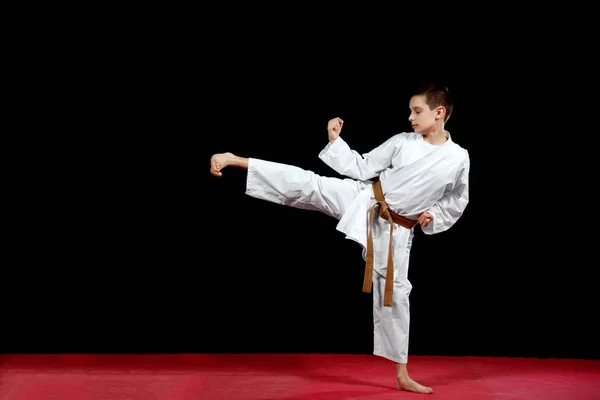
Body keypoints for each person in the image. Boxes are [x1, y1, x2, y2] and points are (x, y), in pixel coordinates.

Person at [209, 83, 470, 394]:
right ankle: (236, 159)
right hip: (365, 200)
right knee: (310, 185)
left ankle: (402, 375)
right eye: (411, 110)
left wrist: (433, 216)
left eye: (417, 111)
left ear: (439, 113)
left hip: (397, 230)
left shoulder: (458, 158)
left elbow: (457, 199)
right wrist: (336, 142)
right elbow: (363, 166)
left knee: (397, 296)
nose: (410, 117)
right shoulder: (403, 142)